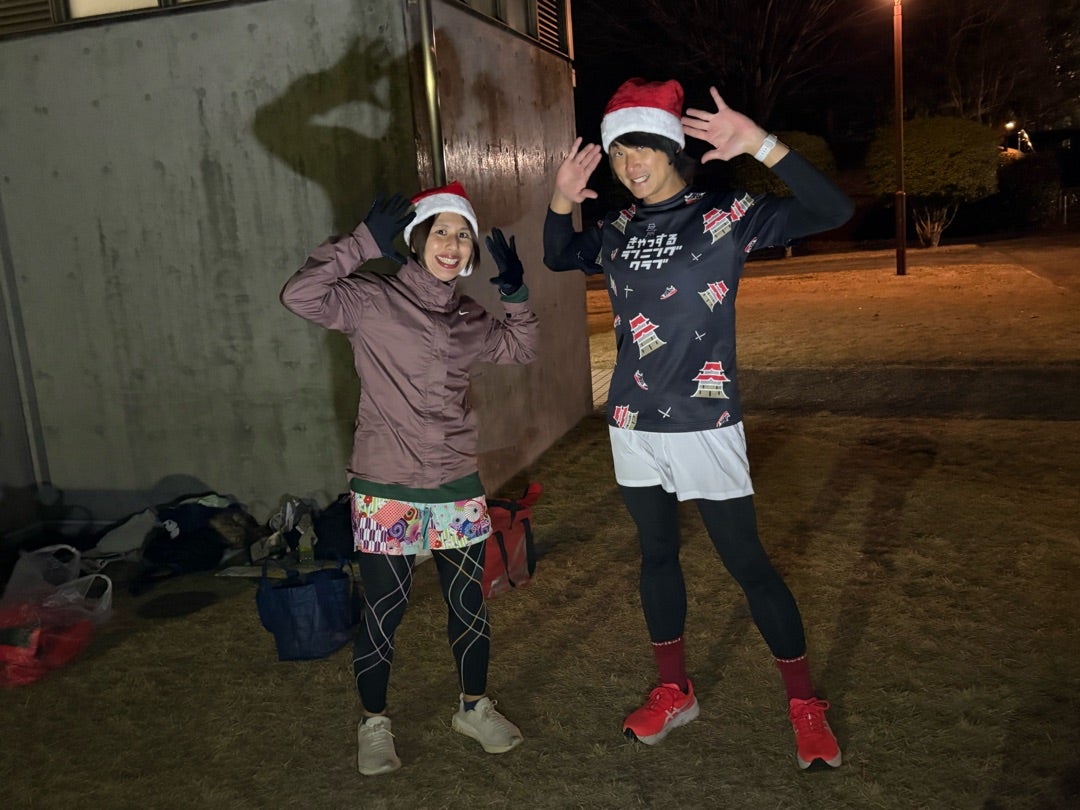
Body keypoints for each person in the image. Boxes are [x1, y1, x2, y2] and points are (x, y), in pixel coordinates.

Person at [543, 78, 854, 769]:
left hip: (704, 421)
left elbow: (833, 210)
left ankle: (804, 703)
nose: (630, 163)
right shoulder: (617, 228)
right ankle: (675, 691)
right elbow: (559, 254)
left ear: (672, 149)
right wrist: (562, 198)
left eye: (643, 148)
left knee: (748, 564)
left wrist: (762, 146)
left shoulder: (726, 212)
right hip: (632, 422)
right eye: (620, 151)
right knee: (656, 556)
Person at [281, 181, 538, 776]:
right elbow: (300, 294)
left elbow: (522, 348)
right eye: (441, 231)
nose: (452, 244)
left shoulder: (469, 315)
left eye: (463, 235)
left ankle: (473, 708)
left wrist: (515, 292)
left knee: (468, 603)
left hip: (455, 482)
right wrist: (361, 243)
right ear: (416, 240)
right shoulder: (371, 299)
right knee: (386, 607)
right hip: (386, 484)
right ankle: (374, 723)